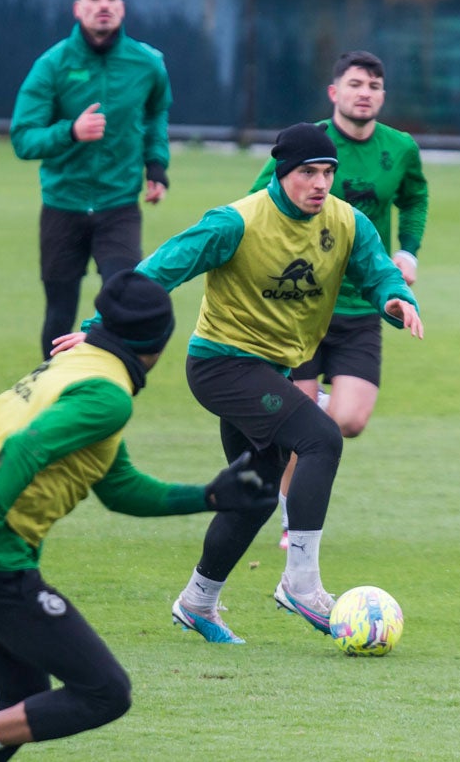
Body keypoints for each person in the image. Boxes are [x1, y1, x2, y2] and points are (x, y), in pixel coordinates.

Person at [56, 123, 423, 644]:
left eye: (327, 173)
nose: (320, 183)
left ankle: (197, 601)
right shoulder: (236, 221)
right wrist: (97, 329)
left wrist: (395, 299)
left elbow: (377, 270)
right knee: (321, 437)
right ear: (282, 172)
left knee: (254, 491)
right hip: (221, 365)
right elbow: (157, 271)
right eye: (307, 173)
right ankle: (301, 583)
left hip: (270, 371)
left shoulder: (347, 222)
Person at [0, 271, 276, 762]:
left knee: (17, 709)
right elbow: (18, 454)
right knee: (104, 691)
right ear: (161, 343)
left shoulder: (78, 366)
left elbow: (119, 487)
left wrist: (209, 497)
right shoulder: (107, 395)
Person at [248, 51, 429, 550]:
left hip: (360, 307)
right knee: (299, 427)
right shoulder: (307, 143)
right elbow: (256, 200)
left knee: (349, 420)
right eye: (354, 83)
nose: (364, 92)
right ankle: (290, 519)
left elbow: (414, 197)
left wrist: (406, 253)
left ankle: (310, 407)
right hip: (303, 306)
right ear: (334, 92)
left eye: (374, 84)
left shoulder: (401, 148)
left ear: (383, 95)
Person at [10, 0, 172, 360]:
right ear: (77, 9)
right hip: (63, 204)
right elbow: (23, 137)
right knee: (59, 311)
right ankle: (49, 388)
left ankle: (113, 382)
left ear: (123, 8)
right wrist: (71, 132)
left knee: (124, 299)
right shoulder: (53, 64)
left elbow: (155, 116)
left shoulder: (147, 63)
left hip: (118, 206)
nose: (104, 5)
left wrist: (156, 166)